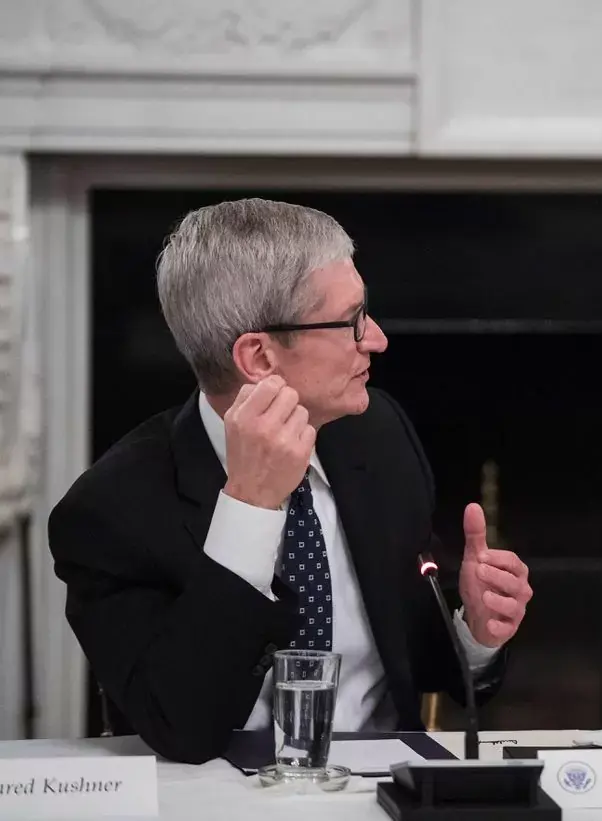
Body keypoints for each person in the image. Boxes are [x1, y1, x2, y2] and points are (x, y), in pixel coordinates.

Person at [48, 198, 533, 763]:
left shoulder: (377, 435)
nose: (375, 338)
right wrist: (249, 509)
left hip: (381, 791)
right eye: (351, 319)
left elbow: (416, 658)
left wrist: (475, 630)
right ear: (259, 356)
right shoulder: (109, 513)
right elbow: (181, 726)